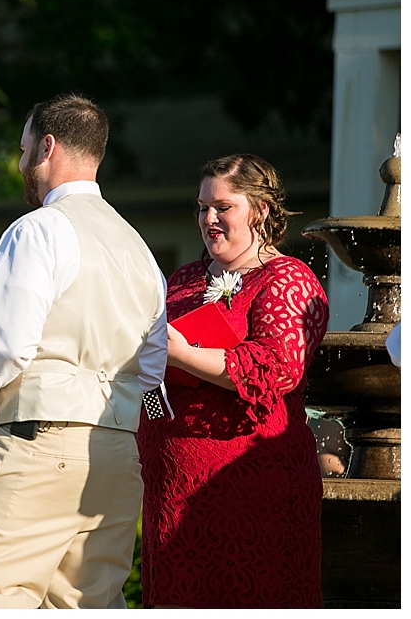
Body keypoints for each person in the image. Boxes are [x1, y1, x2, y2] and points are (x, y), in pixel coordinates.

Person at [0, 93, 169, 609]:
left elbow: (8, 345)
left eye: (23, 151)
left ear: (46, 147)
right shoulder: (139, 249)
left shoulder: (38, 230)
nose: (21, 165)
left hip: (40, 443)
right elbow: (153, 371)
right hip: (116, 453)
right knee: (86, 605)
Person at [137, 153, 329, 608]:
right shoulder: (183, 280)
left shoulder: (287, 279)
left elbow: (277, 370)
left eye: (223, 207)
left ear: (260, 210)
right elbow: (149, 373)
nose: (209, 219)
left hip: (249, 487)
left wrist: (185, 352)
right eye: (202, 207)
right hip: (171, 487)